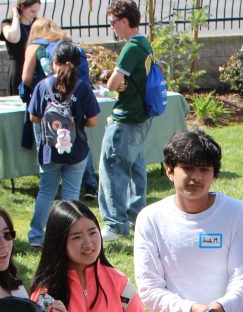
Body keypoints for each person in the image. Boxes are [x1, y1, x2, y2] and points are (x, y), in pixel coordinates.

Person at [134, 130, 243, 312]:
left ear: (214, 173)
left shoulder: (236, 213)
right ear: (170, 171)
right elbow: (149, 288)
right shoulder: (151, 218)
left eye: (204, 169)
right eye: (187, 168)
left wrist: (221, 309)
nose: (196, 177)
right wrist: (192, 311)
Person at [26, 42, 100, 248]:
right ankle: (67, 236)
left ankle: (36, 236)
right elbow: (93, 120)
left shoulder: (43, 85)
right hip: (76, 150)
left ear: (54, 62)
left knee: (46, 192)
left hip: (50, 150)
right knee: (71, 196)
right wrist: (77, 123)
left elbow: (33, 117)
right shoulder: (82, 87)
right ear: (78, 64)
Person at [99, 0, 153, 243]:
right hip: (141, 117)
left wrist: (116, 84)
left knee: (112, 169)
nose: (112, 27)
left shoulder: (131, 48)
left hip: (126, 118)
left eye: (113, 22)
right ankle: (135, 216)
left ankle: (115, 223)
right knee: (135, 169)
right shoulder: (144, 43)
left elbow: (112, 83)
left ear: (124, 20)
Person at [0, 0, 42, 96]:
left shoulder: (36, 24)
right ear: (22, 8)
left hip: (35, 69)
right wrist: (16, 15)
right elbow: (14, 37)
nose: (35, 15)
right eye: (32, 11)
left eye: (37, 11)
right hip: (18, 70)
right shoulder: (7, 24)